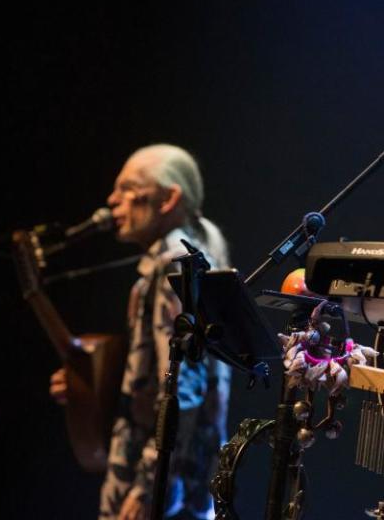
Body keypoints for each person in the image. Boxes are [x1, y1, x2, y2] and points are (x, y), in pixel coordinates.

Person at [50, 144, 231, 520]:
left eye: (127, 188)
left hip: (165, 485)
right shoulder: (168, 267)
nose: (112, 201)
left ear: (168, 199)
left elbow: (185, 388)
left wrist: (151, 484)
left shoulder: (176, 270)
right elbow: (149, 376)